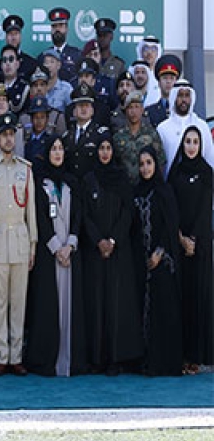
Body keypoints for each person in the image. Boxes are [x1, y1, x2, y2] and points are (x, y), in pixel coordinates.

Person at [0, 113, 37, 376]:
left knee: (18, 302)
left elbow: (31, 211)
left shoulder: (26, 169)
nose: (8, 139)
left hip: (21, 241)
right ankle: (2, 355)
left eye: (12, 135)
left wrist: (33, 243)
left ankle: (16, 355)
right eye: (4, 135)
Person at [80, 133, 142, 375]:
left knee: (116, 304)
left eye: (108, 148)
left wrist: (113, 240)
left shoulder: (121, 179)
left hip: (118, 253)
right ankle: (97, 358)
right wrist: (98, 241)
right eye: (101, 148)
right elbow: (84, 214)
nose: (105, 152)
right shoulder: (88, 179)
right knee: (96, 303)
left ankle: (116, 358)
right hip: (95, 252)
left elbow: (128, 213)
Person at [24, 135, 86, 376]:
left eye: (61, 149)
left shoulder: (72, 182)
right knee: (49, 307)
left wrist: (70, 245)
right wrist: (55, 247)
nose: (58, 153)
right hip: (50, 256)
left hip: (70, 254)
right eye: (54, 149)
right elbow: (39, 216)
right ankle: (48, 360)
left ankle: (71, 360)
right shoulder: (40, 183)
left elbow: (78, 215)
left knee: (71, 308)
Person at [133, 146, 183, 377]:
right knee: (145, 311)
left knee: (164, 311)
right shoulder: (137, 192)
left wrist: (159, 252)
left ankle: (167, 363)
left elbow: (171, 225)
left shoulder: (165, 191)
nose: (145, 168)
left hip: (163, 261)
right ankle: (149, 361)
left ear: (156, 164)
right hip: (141, 262)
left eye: (149, 163)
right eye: (141, 164)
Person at [167, 126, 214, 373]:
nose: (192, 146)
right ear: (182, 144)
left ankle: (198, 356)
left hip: (201, 246)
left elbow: (205, 210)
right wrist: (181, 239)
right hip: (179, 246)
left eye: (196, 141)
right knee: (181, 299)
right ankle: (183, 355)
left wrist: (193, 240)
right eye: (188, 141)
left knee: (200, 298)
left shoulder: (207, 174)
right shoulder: (175, 173)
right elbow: (171, 209)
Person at [157, 79, 214, 174]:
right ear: (174, 97)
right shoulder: (163, 128)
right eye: (180, 95)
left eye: (187, 95)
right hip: (171, 185)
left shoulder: (202, 126)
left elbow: (210, 158)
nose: (183, 100)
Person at [113, 92, 165, 184]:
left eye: (137, 107)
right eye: (130, 107)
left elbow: (160, 161)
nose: (133, 111)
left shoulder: (151, 134)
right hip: (125, 186)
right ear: (125, 111)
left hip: (147, 186)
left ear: (142, 110)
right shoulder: (118, 137)